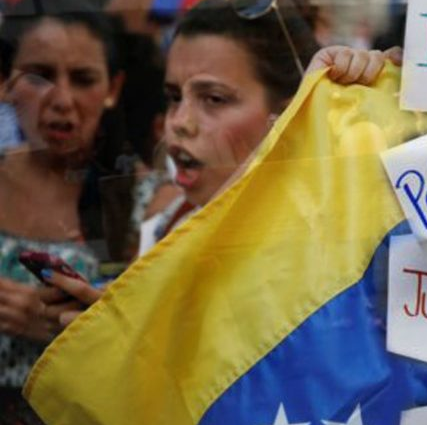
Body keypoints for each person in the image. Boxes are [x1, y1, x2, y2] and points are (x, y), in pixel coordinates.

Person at [44, 1, 398, 324]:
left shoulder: (325, 253)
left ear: (289, 113)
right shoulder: (164, 220)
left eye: (214, 99)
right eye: (173, 96)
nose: (179, 122)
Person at [0, 0, 126, 422]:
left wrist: (82, 327)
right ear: (5, 82)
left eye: (83, 79)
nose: (61, 99)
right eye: (39, 76)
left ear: (113, 89)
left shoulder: (149, 203)